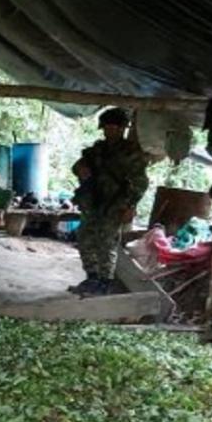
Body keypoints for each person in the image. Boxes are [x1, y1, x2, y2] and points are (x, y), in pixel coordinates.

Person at [69, 107, 150, 296]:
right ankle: (92, 278)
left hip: (115, 204)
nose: (109, 131)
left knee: (107, 243)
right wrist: (79, 168)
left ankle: (105, 283)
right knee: (85, 239)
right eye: (106, 127)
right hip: (93, 201)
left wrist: (131, 206)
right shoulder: (97, 150)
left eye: (113, 127)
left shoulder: (131, 153)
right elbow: (78, 166)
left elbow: (141, 183)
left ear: (122, 129)